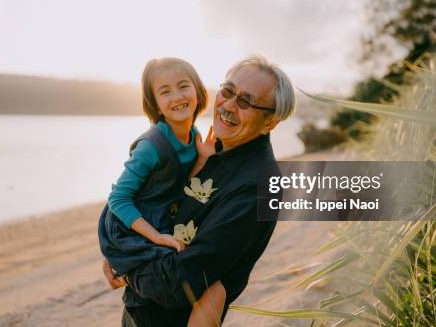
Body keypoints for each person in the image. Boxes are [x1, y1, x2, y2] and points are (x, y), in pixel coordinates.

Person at [103, 55, 297, 326]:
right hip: (140, 311)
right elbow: (153, 200)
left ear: (270, 122)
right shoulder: (210, 149)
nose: (228, 105)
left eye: (245, 102)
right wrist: (121, 244)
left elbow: (180, 282)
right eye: (227, 91)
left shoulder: (258, 187)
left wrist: (126, 267)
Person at [98, 57, 224, 326]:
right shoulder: (151, 146)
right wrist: (155, 236)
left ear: (198, 91)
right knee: (162, 284)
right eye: (165, 91)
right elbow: (118, 198)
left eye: (183, 86)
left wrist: (201, 159)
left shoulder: (193, 134)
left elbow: (178, 182)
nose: (177, 97)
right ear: (155, 103)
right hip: (129, 223)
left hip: (156, 216)